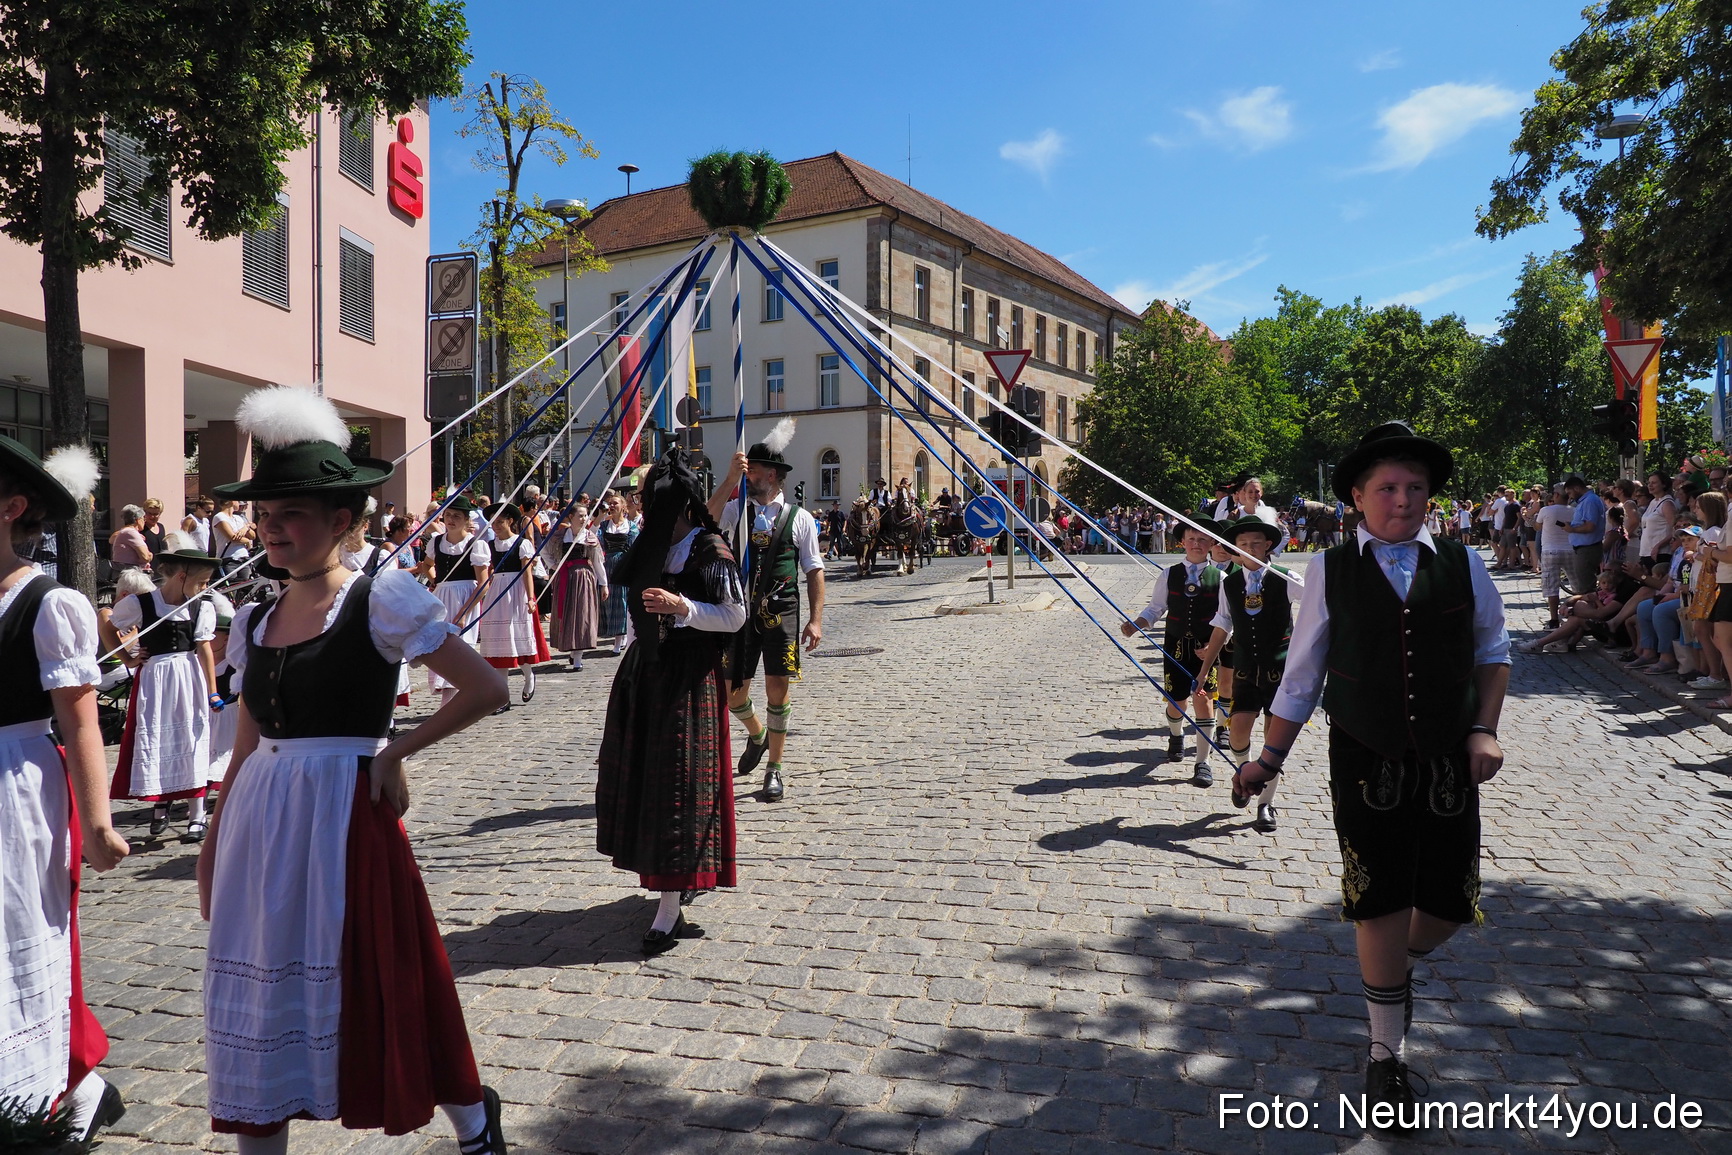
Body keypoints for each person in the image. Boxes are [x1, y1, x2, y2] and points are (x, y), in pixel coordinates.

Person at [194, 385, 509, 1154]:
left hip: (345, 818)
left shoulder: (379, 599)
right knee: (257, 992)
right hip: (263, 823)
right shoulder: (253, 619)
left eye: (290, 514)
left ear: (343, 520)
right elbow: (245, 745)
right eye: (265, 516)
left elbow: (486, 687)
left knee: (391, 978)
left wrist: (393, 751)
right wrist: (212, 838)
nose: (272, 528)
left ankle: (472, 1119)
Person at [1234, 421, 1509, 1130]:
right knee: (1378, 897)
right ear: (1357, 496)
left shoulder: (1463, 561)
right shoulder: (1327, 570)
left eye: (1415, 486)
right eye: (1387, 486)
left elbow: (1494, 650)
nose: (1403, 498)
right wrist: (1268, 758)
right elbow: (1301, 678)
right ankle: (1385, 1055)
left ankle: (1388, 969)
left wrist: (1485, 726)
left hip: (1449, 755)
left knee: (1450, 901)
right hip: (1364, 757)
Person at [0, 437, 130, 1145]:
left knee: (18, 932)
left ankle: (50, 1091)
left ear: (11, 506)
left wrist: (101, 821)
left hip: (16, 789)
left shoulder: (49, 604)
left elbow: (80, 722)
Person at [596, 447, 746, 953]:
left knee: (681, 787)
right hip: (647, 676)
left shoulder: (709, 548)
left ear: (678, 504)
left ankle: (668, 907)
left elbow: (734, 616)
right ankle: (666, 887)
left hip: (690, 680)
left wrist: (682, 606)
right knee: (648, 784)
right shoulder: (652, 547)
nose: (643, 510)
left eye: (650, 501)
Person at [708, 419, 826, 803]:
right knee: (731, 693)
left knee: (778, 690)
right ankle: (757, 734)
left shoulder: (800, 518)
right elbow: (704, 520)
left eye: (752, 470)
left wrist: (816, 619)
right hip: (738, 614)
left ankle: (774, 768)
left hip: (782, 613)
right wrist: (728, 480)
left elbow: (814, 571)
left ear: (772, 475)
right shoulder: (734, 510)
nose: (748, 475)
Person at [106, 533, 223, 841]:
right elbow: (106, 624)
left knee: (192, 739)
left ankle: (197, 816)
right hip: (155, 678)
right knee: (159, 737)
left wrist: (212, 690)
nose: (203, 589)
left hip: (189, 676)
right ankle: (160, 805)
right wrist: (127, 658)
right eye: (199, 583)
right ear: (181, 577)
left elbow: (205, 649)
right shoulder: (141, 603)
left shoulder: (201, 607)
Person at [1193, 515, 1297, 833]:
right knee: (1238, 732)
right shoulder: (1230, 583)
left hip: (1280, 670)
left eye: (1255, 543)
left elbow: (1320, 607)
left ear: (1267, 546)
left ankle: (1266, 805)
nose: (1249, 548)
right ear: (1235, 548)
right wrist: (1204, 669)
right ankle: (1245, 776)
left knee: (1271, 741)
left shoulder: (1285, 577)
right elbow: (1223, 624)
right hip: (1245, 669)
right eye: (1242, 544)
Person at [1118, 520, 1221, 782]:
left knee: (1204, 700)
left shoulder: (1221, 578)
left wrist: (1214, 644)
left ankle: (1202, 762)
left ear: (1211, 544)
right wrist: (1136, 625)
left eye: (1202, 539)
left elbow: (1227, 618)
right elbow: (1155, 608)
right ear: (1182, 542)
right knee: (1177, 702)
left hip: (1206, 650)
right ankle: (1176, 735)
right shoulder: (1169, 574)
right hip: (1175, 647)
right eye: (1191, 539)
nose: (1197, 544)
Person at [477, 502, 552, 702]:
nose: (496, 526)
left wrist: (530, 597)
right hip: (497, 591)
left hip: (516, 591)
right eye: (494, 522)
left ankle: (528, 676)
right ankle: (504, 696)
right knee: (499, 642)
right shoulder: (489, 545)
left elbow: (526, 573)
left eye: (500, 522)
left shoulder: (521, 543)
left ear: (510, 521)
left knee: (516, 636)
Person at [424, 496, 492, 706]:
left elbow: (483, 584)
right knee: (441, 648)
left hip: (465, 598)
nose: (451, 519)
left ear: (465, 519)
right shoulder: (436, 541)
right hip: (442, 598)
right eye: (448, 515)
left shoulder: (476, 544)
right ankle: (453, 703)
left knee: (461, 648)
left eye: (456, 516)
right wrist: (437, 581)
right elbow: (426, 565)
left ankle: (453, 704)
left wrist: (463, 612)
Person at [551, 501, 606, 670]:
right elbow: (544, 551)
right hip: (565, 577)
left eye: (585, 515)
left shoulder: (589, 537)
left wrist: (603, 584)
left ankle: (578, 657)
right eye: (580, 515)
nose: (583, 518)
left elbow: (597, 562)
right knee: (567, 614)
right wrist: (555, 566)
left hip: (584, 578)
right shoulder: (560, 536)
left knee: (582, 615)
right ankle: (570, 648)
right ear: (571, 517)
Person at [596, 492, 637, 651]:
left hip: (624, 564)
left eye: (615, 503)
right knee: (609, 601)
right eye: (610, 504)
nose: (612, 506)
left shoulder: (631, 526)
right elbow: (593, 536)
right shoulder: (605, 526)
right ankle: (616, 635)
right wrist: (600, 516)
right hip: (607, 566)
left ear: (623, 507)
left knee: (622, 601)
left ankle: (620, 639)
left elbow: (634, 548)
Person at [1534, 484, 1575, 629]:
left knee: (1552, 586)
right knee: (1576, 584)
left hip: (1550, 550)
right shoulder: (1574, 511)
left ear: (1556, 495)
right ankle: (1577, 614)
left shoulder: (1546, 510)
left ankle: (1553, 619)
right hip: (1570, 550)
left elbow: (1537, 526)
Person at [1564, 474, 1606, 595]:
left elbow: (1590, 526)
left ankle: (1588, 611)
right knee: (1582, 584)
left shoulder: (1590, 501)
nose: (1569, 496)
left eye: (1569, 492)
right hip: (1583, 548)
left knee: (1585, 587)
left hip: (1588, 549)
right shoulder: (1584, 501)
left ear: (1577, 488)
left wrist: (1572, 529)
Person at [108, 504, 152, 573]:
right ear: (138, 520)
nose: (145, 521)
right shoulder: (131, 533)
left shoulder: (125, 532)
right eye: (144, 518)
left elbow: (111, 540)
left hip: (126, 572)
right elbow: (145, 557)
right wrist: (150, 555)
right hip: (134, 575)